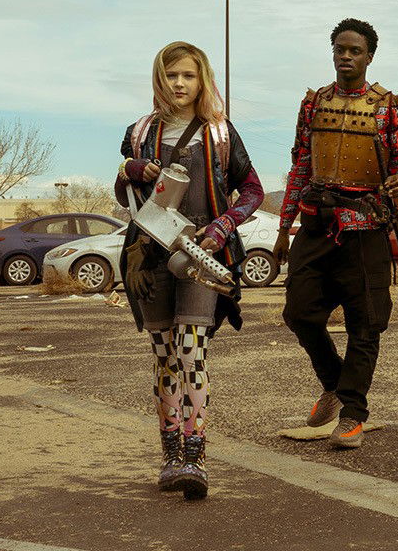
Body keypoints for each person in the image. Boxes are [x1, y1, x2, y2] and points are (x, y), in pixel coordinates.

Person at [114, 41, 265, 498]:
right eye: (171, 75)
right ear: (159, 79)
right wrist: (131, 170)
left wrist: (222, 227)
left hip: (203, 255)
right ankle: (171, 456)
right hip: (149, 255)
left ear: (203, 81)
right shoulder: (139, 132)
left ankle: (196, 457)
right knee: (163, 356)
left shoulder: (220, 133)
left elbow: (253, 191)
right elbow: (125, 198)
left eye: (188, 76)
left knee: (191, 353)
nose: (179, 84)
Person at [273, 18, 398, 449]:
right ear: (333, 52)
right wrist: (284, 227)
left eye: (355, 50)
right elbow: (300, 163)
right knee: (299, 312)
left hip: (365, 226)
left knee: (366, 323)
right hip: (316, 223)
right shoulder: (313, 103)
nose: (346, 56)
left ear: (369, 56)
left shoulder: (390, 106)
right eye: (340, 48)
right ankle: (334, 383)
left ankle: (352, 412)